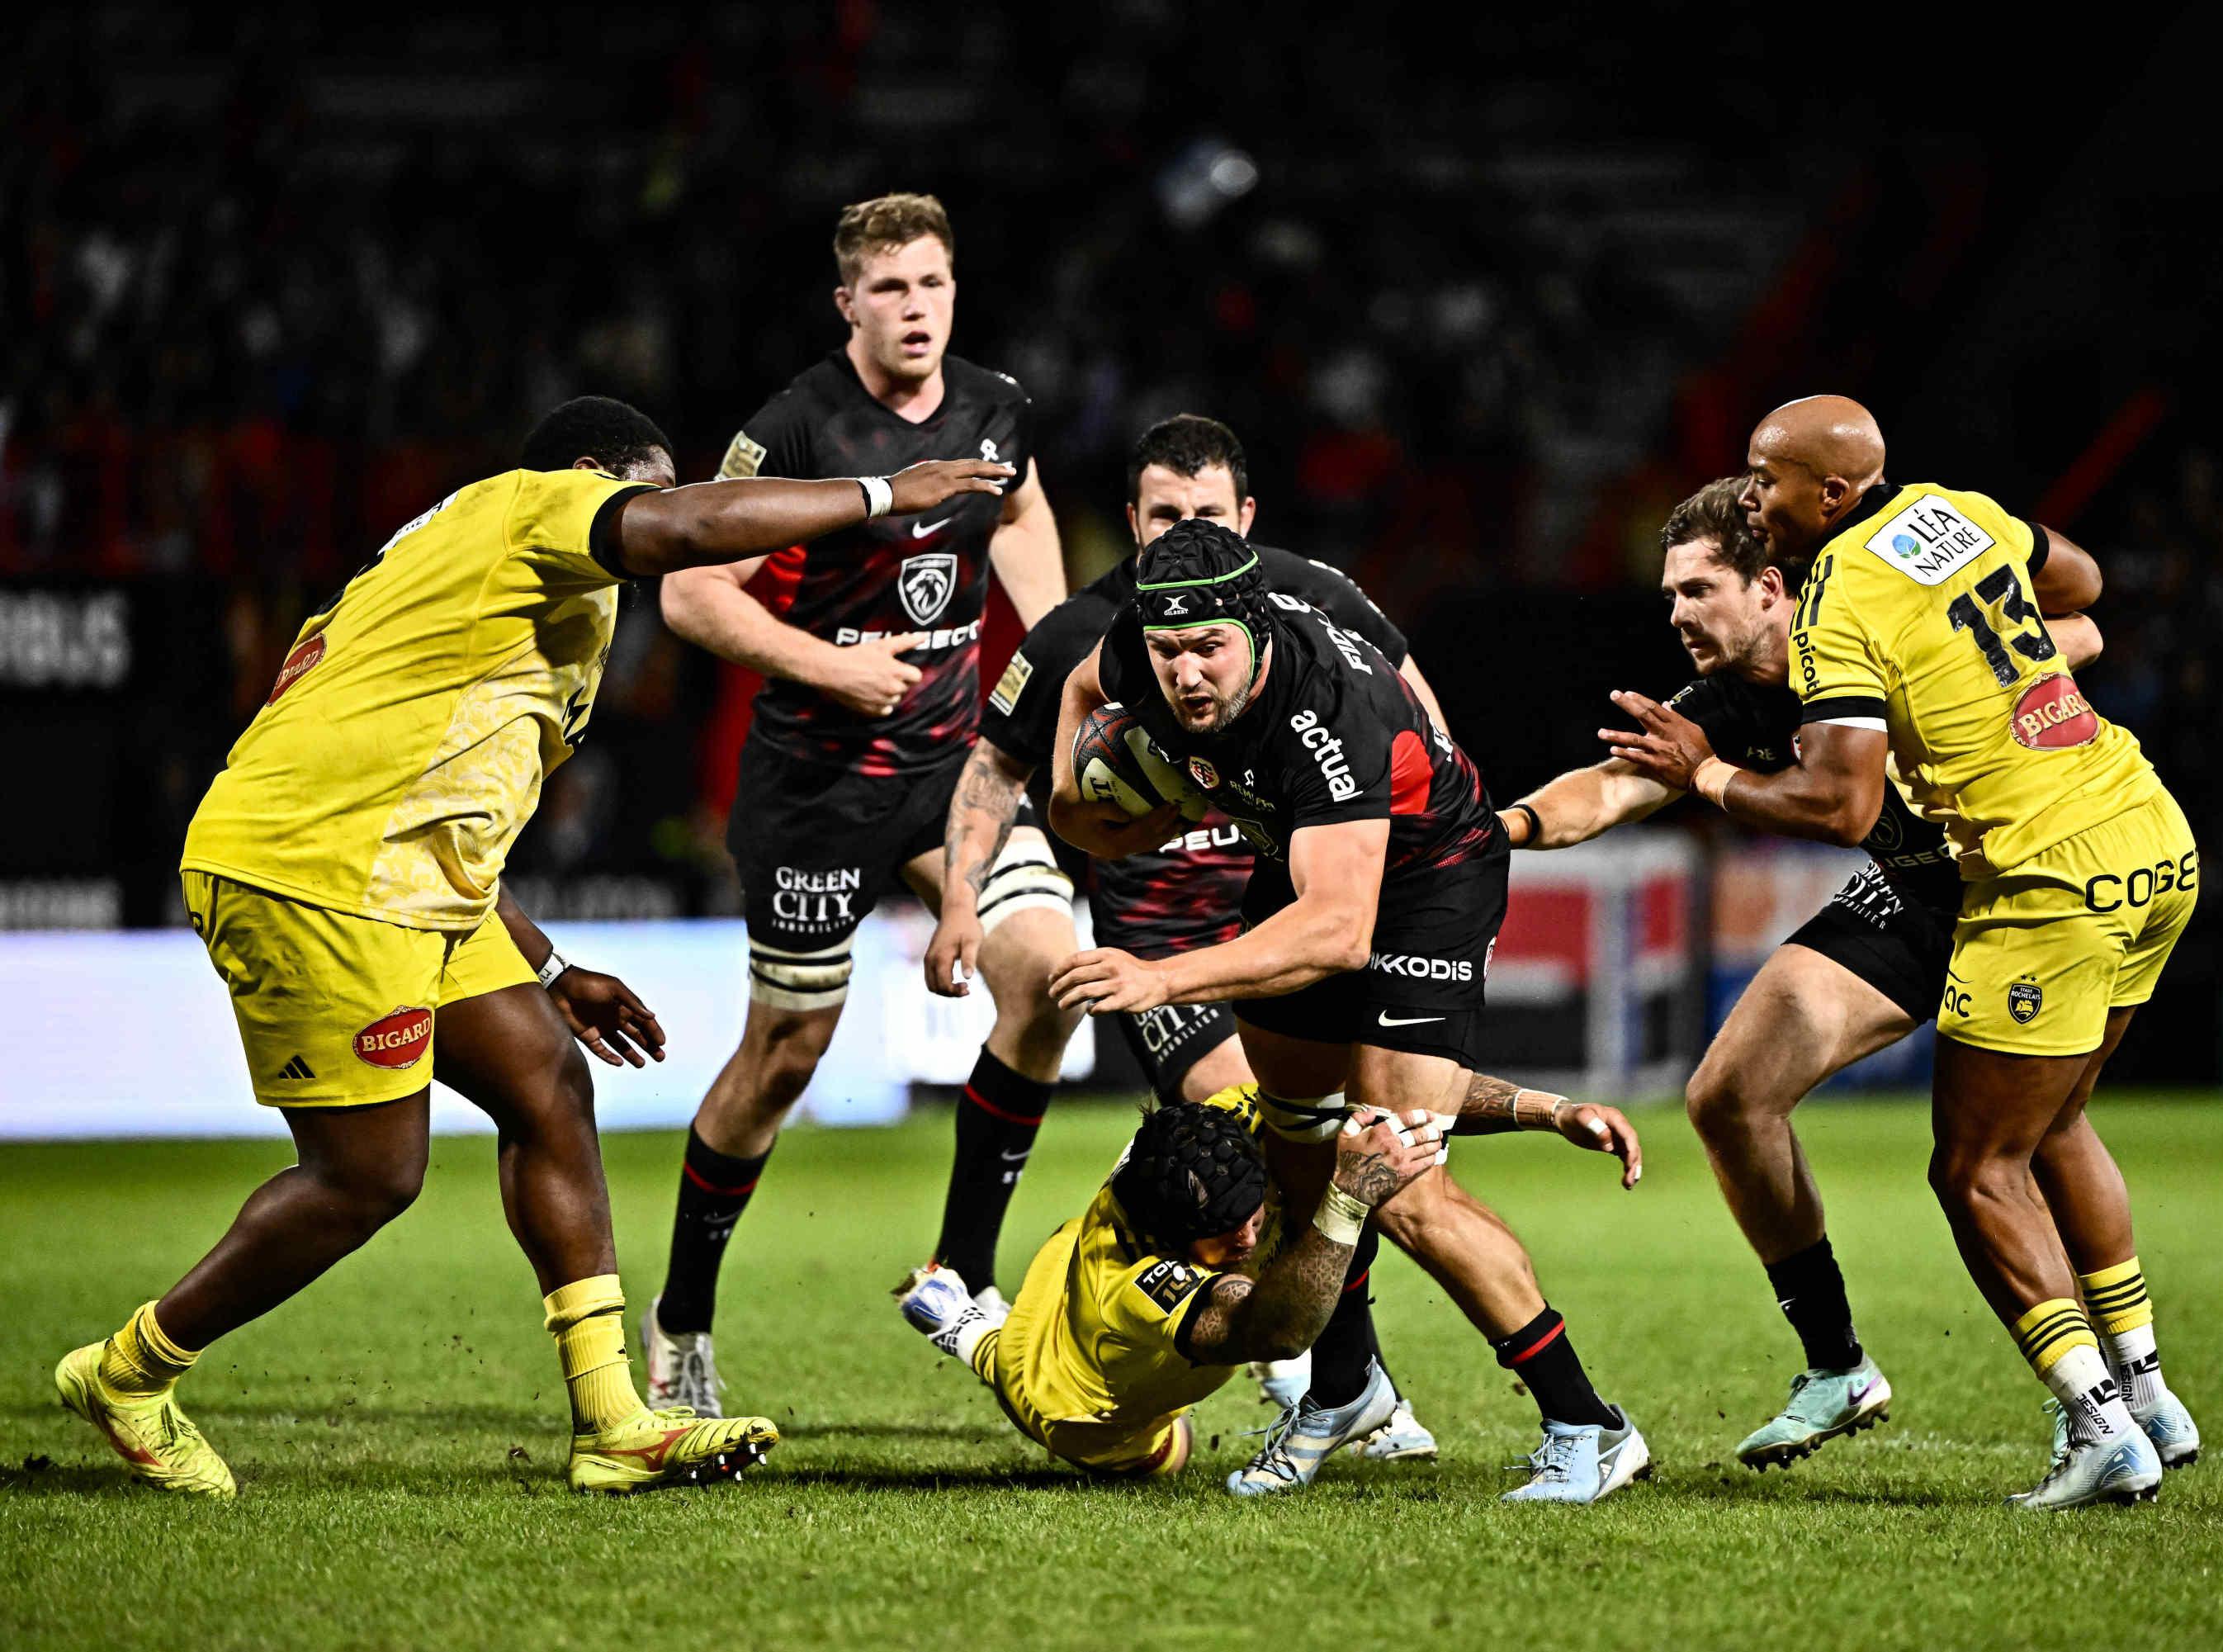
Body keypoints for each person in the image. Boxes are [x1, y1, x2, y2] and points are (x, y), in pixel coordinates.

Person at [54, 395, 1014, 1496]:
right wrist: (887, 495)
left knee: (547, 1079)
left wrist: (552, 967)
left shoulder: (525, 598)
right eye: (643, 489)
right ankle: (130, 1370)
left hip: (405, 878)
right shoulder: (529, 511)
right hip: (316, 868)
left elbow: (449, 794)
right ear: (593, 477)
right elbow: (688, 530)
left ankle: (613, 1423)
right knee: (369, 1175)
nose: (657, 513)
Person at [935, 414, 1638, 1442]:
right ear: (1133, 529)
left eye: (1205, 517)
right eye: (1164, 517)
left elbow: (1349, 912)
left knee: (1390, 1172)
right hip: (1239, 900)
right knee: (1298, 1146)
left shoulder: (1325, 692)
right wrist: (1116, 804)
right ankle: (1342, 1386)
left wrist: (1164, 978)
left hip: (1396, 882)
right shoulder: (1129, 638)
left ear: (1248, 540)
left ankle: (1585, 1427)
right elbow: (1060, 756)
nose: (1184, 670)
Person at [1513, 476, 2192, 1479]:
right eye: (1670, 594)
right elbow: (1613, 784)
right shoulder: (1731, 699)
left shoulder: (1865, 626)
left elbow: (2069, 626)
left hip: (2016, 886)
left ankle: (2130, 1397)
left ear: (1772, 588)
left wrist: (2027, 668)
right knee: (1730, 1096)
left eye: (1698, 590)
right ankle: (1837, 1363)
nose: (1675, 613)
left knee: (2025, 1141)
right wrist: (1503, 832)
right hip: (1920, 895)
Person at [645, 193, 1078, 1414]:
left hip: (952, 772)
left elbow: (1024, 504)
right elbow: (689, 596)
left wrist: (1045, 642)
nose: (916, 309)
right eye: (890, 290)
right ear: (847, 303)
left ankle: (962, 1272)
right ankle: (680, 1327)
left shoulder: (997, 408)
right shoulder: (792, 427)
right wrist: (832, 664)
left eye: (932, 284)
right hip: (815, 789)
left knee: (1050, 977)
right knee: (785, 1057)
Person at [892, 1090, 1445, 1477]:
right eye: (1224, 1234)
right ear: (1171, 1237)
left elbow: (1389, 1086)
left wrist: (1529, 1105)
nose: (1247, 1241)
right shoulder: (1141, 1286)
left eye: (1247, 1224)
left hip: (1064, 1265)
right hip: (1076, 1412)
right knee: (1172, 1451)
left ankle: (958, 1316)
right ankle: (962, 1326)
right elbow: (1275, 1331)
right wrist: (1348, 1198)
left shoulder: (1197, 1143)